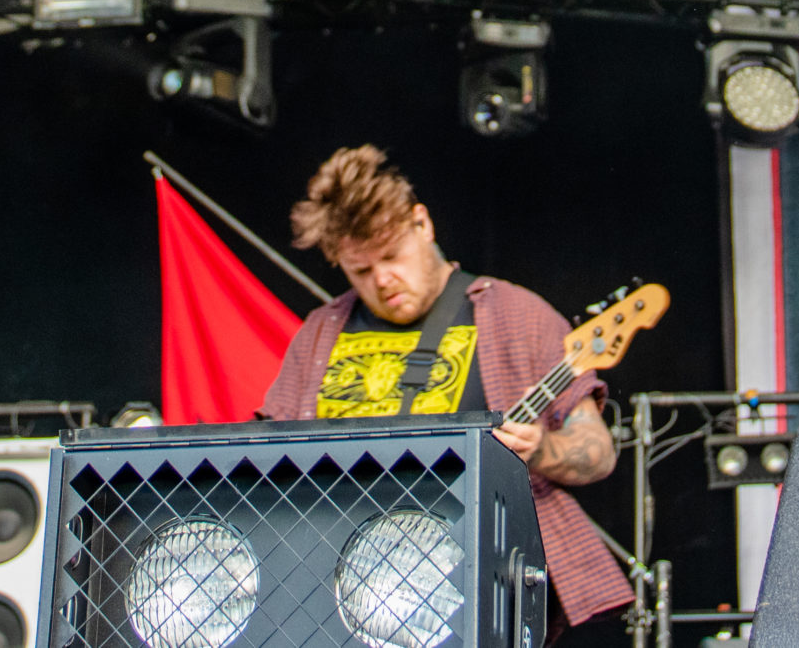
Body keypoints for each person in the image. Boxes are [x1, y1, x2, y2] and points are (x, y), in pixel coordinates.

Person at [258, 147, 633, 634]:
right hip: (331, 592)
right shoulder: (320, 331)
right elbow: (266, 456)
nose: (383, 280)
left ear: (423, 223)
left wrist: (542, 448)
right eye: (361, 270)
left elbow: (598, 452)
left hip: (470, 591)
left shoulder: (515, 314)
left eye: (391, 256)